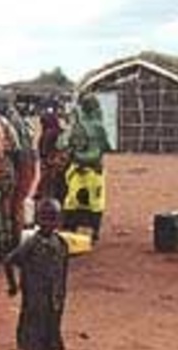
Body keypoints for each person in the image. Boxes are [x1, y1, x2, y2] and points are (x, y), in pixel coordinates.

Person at [4, 199, 69, 350]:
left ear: (59, 220)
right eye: (45, 218)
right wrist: (13, 286)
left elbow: (63, 270)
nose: (48, 223)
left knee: (52, 333)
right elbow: (9, 261)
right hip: (35, 299)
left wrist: (61, 292)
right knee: (36, 334)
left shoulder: (61, 243)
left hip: (54, 299)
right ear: (37, 220)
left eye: (52, 218)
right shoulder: (32, 243)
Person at [63, 95, 110, 243]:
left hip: (76, 170)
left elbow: (63, 144)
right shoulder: (99, 127)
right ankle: (94, 233)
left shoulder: (76, 126)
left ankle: (71, 231)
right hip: (94, 170)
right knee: (96, 202)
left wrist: (76, 156)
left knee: (72, 200)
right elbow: (105, 147)